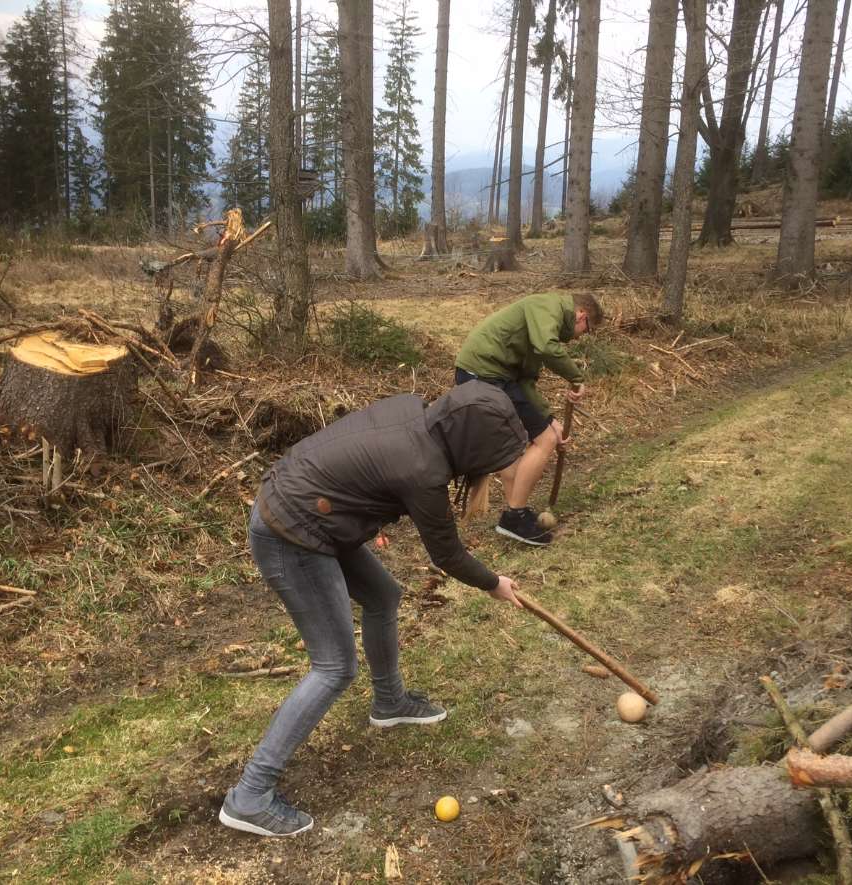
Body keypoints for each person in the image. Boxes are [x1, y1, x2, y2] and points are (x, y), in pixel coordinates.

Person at [219, 382, 528, 837]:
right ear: (472, 446)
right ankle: (249, 795)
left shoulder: (411, 413)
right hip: (292, 531)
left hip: (312, 512)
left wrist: (360, 511)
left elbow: (358, 469)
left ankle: (390, 702)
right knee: (334, 667)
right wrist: (493, 583)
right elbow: (447, 555)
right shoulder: (423, 469)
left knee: (383, 595)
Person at [454, 291, 604, 545]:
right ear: (582, 315)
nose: (581, 337)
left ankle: (517, 517)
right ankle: (514, 518)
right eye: (586, 330)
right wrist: (576, 378)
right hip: (483, 374)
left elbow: (526, 381)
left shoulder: (542, 325)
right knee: (544, 440)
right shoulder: (550, 306)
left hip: (492, 375)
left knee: (520, 445)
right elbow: (547, 347)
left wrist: (549, 419)